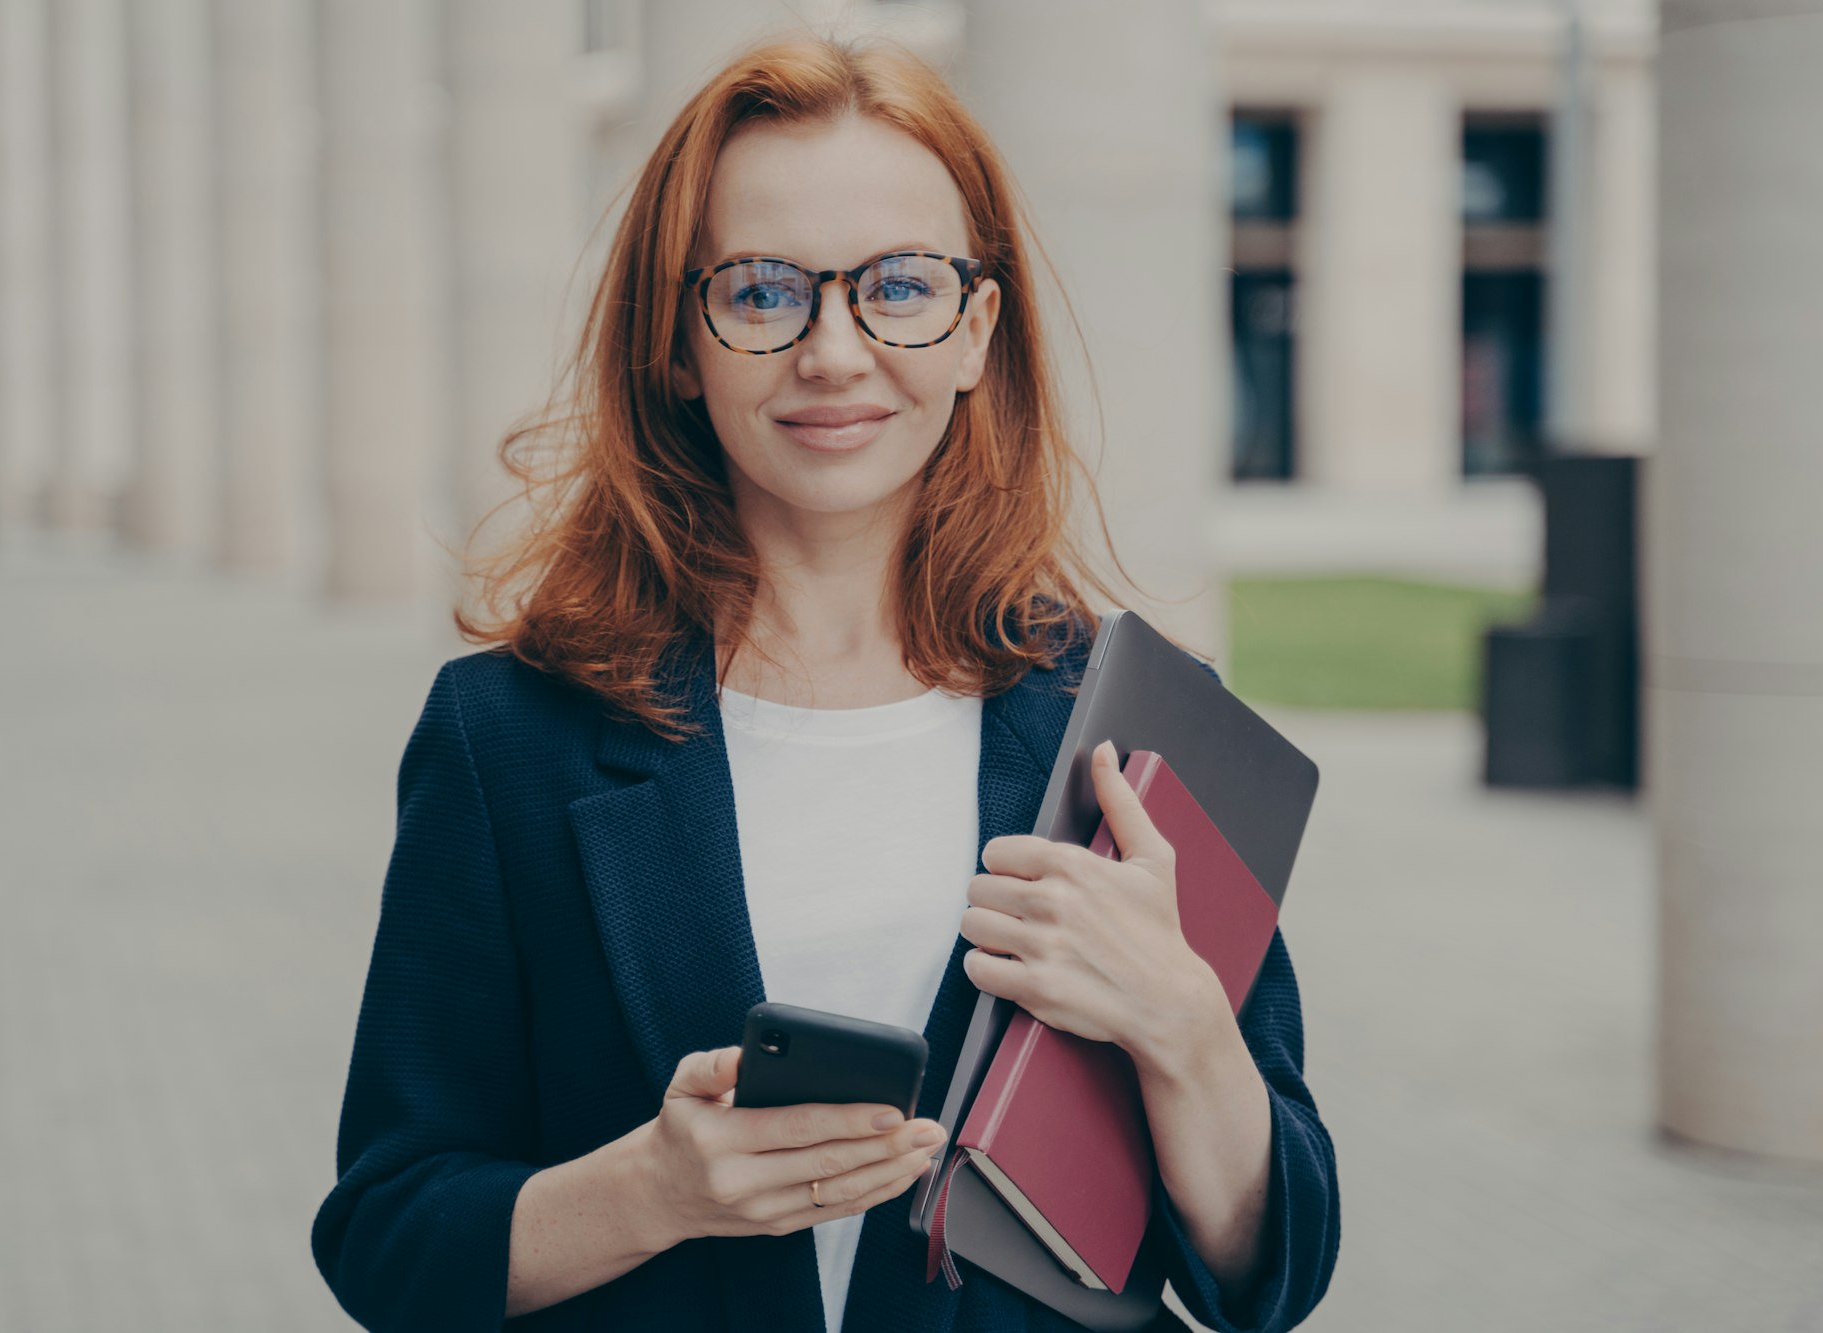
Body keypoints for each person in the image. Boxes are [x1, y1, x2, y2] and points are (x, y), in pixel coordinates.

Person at [310, 33, 1338, 1333]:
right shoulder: (508, 736)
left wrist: (1188, 1031)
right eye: (760, 290)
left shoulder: (1136, 723)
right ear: (679, 343)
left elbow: (1275, 1274)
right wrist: (654, 1189)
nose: (835, 352)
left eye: (899, 286)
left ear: (975, 331)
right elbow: (389, 1235)